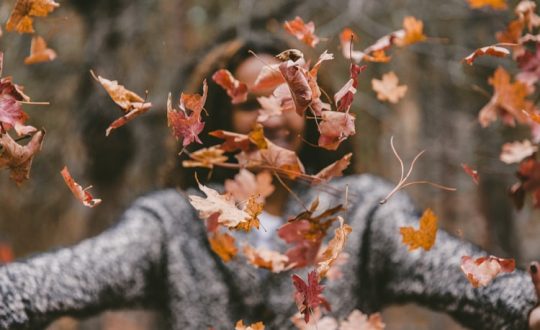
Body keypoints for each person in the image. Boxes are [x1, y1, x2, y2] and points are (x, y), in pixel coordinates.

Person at [0, 34, 538, 330]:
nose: (271, 116)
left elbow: (457, 276)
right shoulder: (173, 223)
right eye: (250, 103)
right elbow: (68, 276)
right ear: (216, 123)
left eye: (287, 99)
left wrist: (526, 302)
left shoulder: (363, 211)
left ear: (311, 112)